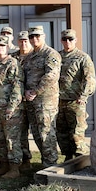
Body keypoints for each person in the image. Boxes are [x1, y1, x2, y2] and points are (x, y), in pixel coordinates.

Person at [22, 26, 61, 167]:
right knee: (36, 133)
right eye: (31, 36)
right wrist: (26, 91)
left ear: (44, 36)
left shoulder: (50, 54)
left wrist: (35, 91)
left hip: (45, 100)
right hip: (31, 101)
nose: (34, 39)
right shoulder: (30, 56)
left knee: (46, 132)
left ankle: (51, 166)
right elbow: (25, 77)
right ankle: (45, 163)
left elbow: (51, 76)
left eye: (37, 36)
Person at [57, 29, 96, 161]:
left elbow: (89, 79)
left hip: (76, 101)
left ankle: (82, 159)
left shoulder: (82, 57)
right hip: (59, 101)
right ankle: (68, 157)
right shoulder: (57, 56)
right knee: (62, 132)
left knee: (76, 132)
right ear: (61, 40)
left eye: (70, 39)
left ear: (76, 40)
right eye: (64, 39)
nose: (67, 42)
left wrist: (83, 96)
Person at [0, 36, 24, 179]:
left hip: (9, 108)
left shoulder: (13, 63)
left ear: (7, 48)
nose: (0, 48)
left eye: (3, 46)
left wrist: (12, 106)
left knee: (11, 138)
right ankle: (4, 166)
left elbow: (17, 86)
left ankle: (15, 168)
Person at [16, 30, 33, 168]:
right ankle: (25, 159)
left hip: (34, 99)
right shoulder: (13, 57)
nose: (23, 43)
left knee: (38, 131)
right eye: (21, 41)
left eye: (26, 40)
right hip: (18, 100)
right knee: (20, 131)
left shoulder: (34, 56)